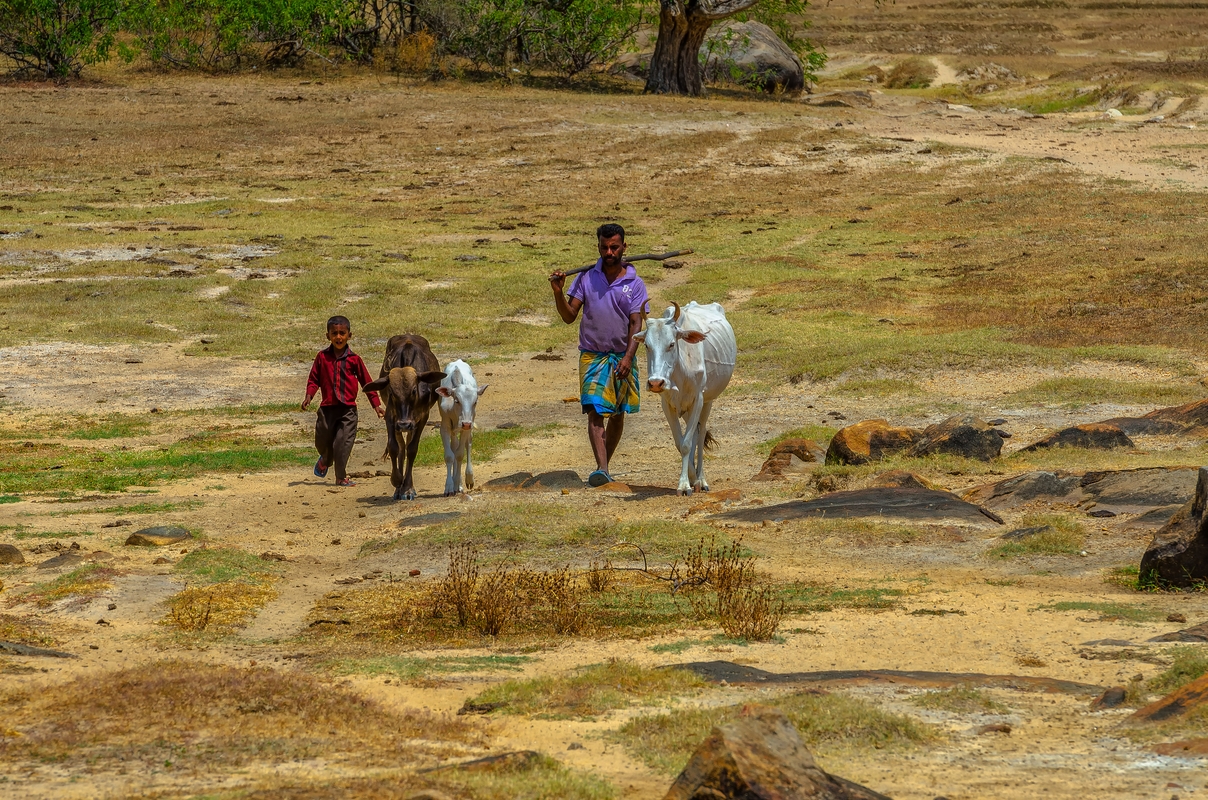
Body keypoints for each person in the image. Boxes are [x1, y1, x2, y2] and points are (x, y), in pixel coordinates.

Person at [550, 223, 649, 487]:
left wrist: (628, 358)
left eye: (614, 247)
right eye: (604, 247)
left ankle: (605, 466)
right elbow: (569, 316)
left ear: (624, 247)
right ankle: (602, 468)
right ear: (598, 247)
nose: (609, 252)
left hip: (622, 356)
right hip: (592, 357)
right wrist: (559, 293)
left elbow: (636, 324)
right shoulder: (585, 278)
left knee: (617, 414)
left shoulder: (635, 284)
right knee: (595, 410)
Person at [301, 315, 384, 487]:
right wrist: (309, 395)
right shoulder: (322, 357)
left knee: (342, 444)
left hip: (348, 411)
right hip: (327, 410)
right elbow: (314, 379)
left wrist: (376, 405)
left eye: (342, 333)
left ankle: (341, 477)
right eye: (334, 333)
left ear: (349, 335)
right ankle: (325, 458)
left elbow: (367, 383)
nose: (338, 337)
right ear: (328, 336)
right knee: (321, 441)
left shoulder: (355, 360)